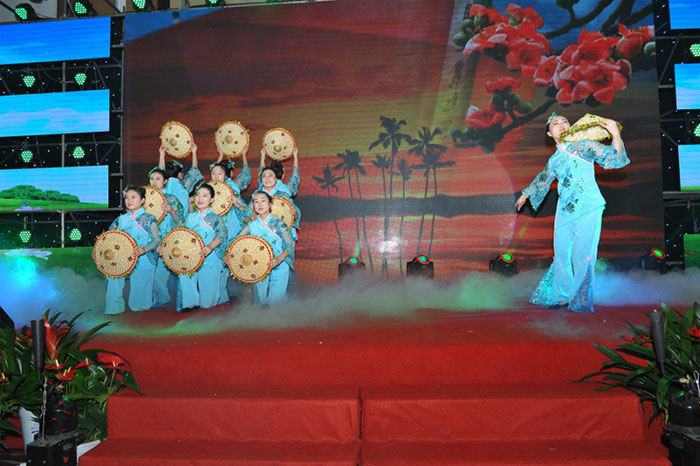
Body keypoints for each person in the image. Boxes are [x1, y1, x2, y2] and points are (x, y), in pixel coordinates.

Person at [514, 112, 629, 313]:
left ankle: (580, 299)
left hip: (588, 207)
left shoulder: (583, 145)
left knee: (582, 256)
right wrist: (525, 195)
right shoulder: (554, 160)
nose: (561, 125)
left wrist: (614, 133)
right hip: (564, 212)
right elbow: (543, 178)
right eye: (555, 123)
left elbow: (614, 158)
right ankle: (562, 297)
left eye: (564, 121)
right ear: (549, 134)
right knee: (560, 255)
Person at [164, 183, 228, 312]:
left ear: (212, 200)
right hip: (190, 258)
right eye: (197, 195)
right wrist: (164, 246)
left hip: (210, 259)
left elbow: (222, 234)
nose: (200, 198)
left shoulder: (216, 218)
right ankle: (190, 303)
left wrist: (210, 246)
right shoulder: (189, 218)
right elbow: (176, 233)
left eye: (204, 195)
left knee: (207, 304)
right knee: (184, 272)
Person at [100, 186, 161, 315]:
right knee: (112, 274)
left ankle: (142, 316)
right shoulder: (121, 220)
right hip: (122, 258)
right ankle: (114, 309)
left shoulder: (149, 219)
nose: (129, 200)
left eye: (133, 197)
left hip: (144, 258)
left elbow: (157, 239)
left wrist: (144, 249)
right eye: (127, 198)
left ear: (143, 200)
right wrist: (99, 252)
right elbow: (108, 238)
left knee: (138, 305)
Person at [230, 192, 295, 305]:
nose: (259, 204)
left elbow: (290, 244)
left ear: (270, 204)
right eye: (256, 202)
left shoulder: (279, 224)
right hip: (259, 267)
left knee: (275, 304)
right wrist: (229, 256)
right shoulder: (251, 225)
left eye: (263, 201)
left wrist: (278, 260)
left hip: (279, 264)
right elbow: (236, 242)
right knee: (260, 303)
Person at [210, 147, 251, 303]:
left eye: (219, 173)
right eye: (213, 173)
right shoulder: (209, 189)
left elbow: (244, 210)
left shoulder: (231, 189)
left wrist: (237, 204)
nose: (216, 176)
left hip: (231, 230)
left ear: (226, 175)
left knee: (236, 262)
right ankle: (220, 297)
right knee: (218, 265)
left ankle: (246, 295)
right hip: (215, 231)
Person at [245, 147, 301, 239]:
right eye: (264, 176)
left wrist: (294, 213)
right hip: (262, 235)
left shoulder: (283, 195)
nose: (267, 179)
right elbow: (246, 216)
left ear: (276, 179)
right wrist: (251, 218)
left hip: (281, 235)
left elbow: (295, 215)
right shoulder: (257, 195)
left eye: (270, 176)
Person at [149, 168, 184, 307]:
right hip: (150, 240)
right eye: (152, 179)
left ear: (165, 181)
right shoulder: (144, 198)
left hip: (168, 239)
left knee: (163, 271)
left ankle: (169, 298)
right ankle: (159, 299)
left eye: (158, 179)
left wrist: (172, 210)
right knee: (151, 272)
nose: (154, 181)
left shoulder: (171, 199)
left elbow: (180, 220)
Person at [158, 143, 202, 212]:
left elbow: (160, 172)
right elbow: (194, 170)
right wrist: (194, 152)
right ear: (179, 174)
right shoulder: (184, 185)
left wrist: (161, 155)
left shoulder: (163, 185)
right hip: (182, 218)